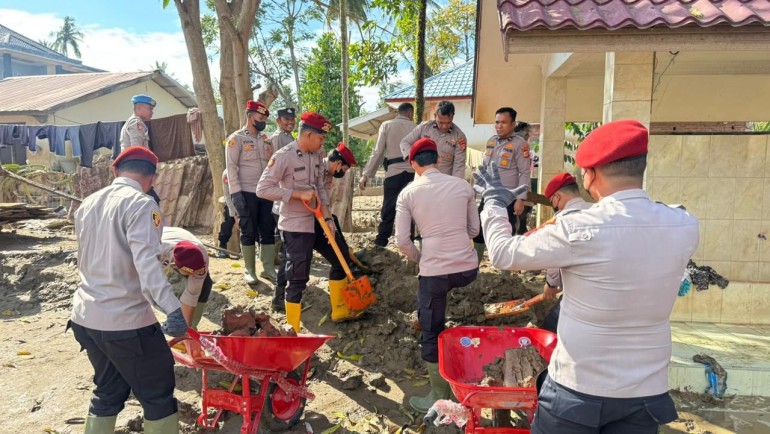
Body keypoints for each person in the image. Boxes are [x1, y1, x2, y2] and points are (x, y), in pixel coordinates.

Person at [475, 120, 699, 434]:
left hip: (577, 392)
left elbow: (502, 253)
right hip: (646, 394)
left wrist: (494, 201)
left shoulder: (577, 227)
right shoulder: (684, 224)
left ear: (591, 175)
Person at [69, 146, 186, 434]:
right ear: (153, 178)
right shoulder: (142, 204)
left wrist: (165, 250)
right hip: (125, 322)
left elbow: (101, 252)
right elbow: (146, 266)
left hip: (86, 317)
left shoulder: (88, 203)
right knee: (158, 396)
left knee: (108, 391)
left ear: (115, 170)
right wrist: (173, 309)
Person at [395, 138, 480, 413]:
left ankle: (438, 395)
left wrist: (424, 258)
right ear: (438, 160)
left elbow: (402, 242)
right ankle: (468, 367)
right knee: (445, 300)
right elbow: (474, 231)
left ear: (413, 164)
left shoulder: (407, 193)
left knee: (431, 329)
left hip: (434, 274)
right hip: (467, 270)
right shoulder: (463, 185)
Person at [256, 112, 334, 332]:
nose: (322, 143)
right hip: (294, 224)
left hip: (316, 220)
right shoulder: (284, 156)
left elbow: (319, 186)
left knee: (309, 268)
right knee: (297, 275)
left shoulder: (317, 155)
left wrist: (328, 218)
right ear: (308, 134)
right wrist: (297, 194)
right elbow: (262, 189)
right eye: (320, 138)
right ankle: (293, 328)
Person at [273, 143, 361, 319]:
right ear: (337, 163)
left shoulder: (326, 174)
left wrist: (335, 231)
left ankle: (339, 310)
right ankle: (279, 297)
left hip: (314, 215)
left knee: (338, 255)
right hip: (290, 214)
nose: (342, 172)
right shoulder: (316, 166)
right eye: (344, 167)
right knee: (293, 258)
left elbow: (323, 200)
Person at [226, 100, 278, 284]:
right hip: (246, 192)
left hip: (265, 192)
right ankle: (249, 270)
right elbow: (231, 168)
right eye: (260, 116)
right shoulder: (236, 138)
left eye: (264, 117)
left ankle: (268, 269)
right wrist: (236, 194)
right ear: (250, 116)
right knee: (248, 230)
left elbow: (271, 164)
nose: (263, 119)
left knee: (267, 229)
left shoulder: (266, 139)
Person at [472, 107, 530, 262]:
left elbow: (524, 172)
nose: (499, 126)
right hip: (489, 195)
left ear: (513, 124)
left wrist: (520, 199)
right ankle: (475, 266)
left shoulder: (520, 144)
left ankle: (506, 269)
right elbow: (484, 167)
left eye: (504, 122)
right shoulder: (491, 141)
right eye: (497, 122)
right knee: (479, 228)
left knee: (506, 230)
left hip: (508, 197)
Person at [538, 172, 592, 334]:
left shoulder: (561, 220)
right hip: (603, 289)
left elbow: (555, 255)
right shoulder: (597, 211)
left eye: (552, 202)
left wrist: (551, 284)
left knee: (550, 327)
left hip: (576, 291)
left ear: (557, 197)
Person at [358, 102, 416, 248]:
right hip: (412, 174)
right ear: (410, 113)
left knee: (389, 207)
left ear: (399, 112)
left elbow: (377, 152)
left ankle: (381, 241)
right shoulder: (416, 128)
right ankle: (409, 241)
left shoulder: (386, 125)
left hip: (393, 173)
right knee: (410, 208)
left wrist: (366, 174)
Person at [160, 226, 212, 330]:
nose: (196, 274)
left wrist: (186, 329)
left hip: (180, 236)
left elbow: (192, 293)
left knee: (205, 284)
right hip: (160, 239)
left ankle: (191, 327)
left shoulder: (201, 256)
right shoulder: (153, 253)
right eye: (192, 273)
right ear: (175, 265)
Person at [399, 101, 467, 179]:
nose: (444, 126)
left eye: (448, 123)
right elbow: (405, 142)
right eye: (441, 122)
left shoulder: (459, 137)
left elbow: (459, 166)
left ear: (453, 117)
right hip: (423, 180)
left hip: (444, 182)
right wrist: (414, 158)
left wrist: (456, 185)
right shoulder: (424, 128)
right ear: (435, 116)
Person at [120, 94, 161, 205]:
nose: (152, 112)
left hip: (130, 169)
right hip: (136, 170)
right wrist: (143, 173)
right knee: (151, 201)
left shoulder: (133, 122)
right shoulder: (136, 123)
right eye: (149, 109)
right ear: (138, 108)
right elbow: (137, 149)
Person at [214, 169, 237, 259]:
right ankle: (222, 249)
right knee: (227, 225)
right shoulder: (227, 173)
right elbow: (227, 195)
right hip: (232, 201)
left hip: (248, 200)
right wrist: (233, 213)